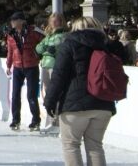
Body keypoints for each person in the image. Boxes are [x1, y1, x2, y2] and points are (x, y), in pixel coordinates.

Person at [43, 16, 124, 166]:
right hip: (103, 104)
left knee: (71, 145)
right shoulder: (106, 45)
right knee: (95, 146)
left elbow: (59, 76)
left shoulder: (68, 45)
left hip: (74, 106)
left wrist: (50, 101)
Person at [6, 11, 44, 131]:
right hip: (17, 67)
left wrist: (38, 55)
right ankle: (15, 120)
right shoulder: (11, 35)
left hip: (31, 66)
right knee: (15, 95)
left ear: (21, 21)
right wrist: (8, 65)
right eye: (12, 20)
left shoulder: (33, 31)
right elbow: (10, 51)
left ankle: (36, 120)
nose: (12, 22)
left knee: (31, 95)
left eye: (14, 20)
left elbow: (44, 41)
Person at [36, 12, 68, 131]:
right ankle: (51, 120)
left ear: (61, 22)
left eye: (56, 21)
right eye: (52, 21)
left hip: (55, 66)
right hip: (45, 65)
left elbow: (56, 47)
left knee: (54, 93)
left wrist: (48, 49)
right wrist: (46, 49)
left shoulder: (63, 35)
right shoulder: (48, 35)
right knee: (46, 94)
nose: (54, 23)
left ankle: (56, 121)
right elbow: (39, 48)